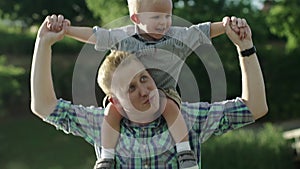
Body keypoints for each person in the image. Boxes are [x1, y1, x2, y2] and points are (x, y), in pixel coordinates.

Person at [31, 15, 268, 169]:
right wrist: (43, 43)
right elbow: (43, 106)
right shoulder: (101, 125)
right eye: (131, 88)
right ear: (115, 101)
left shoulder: (187, 120)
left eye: (144, 78)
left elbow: (255, 107)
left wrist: (245, 48)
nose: (145, 90)